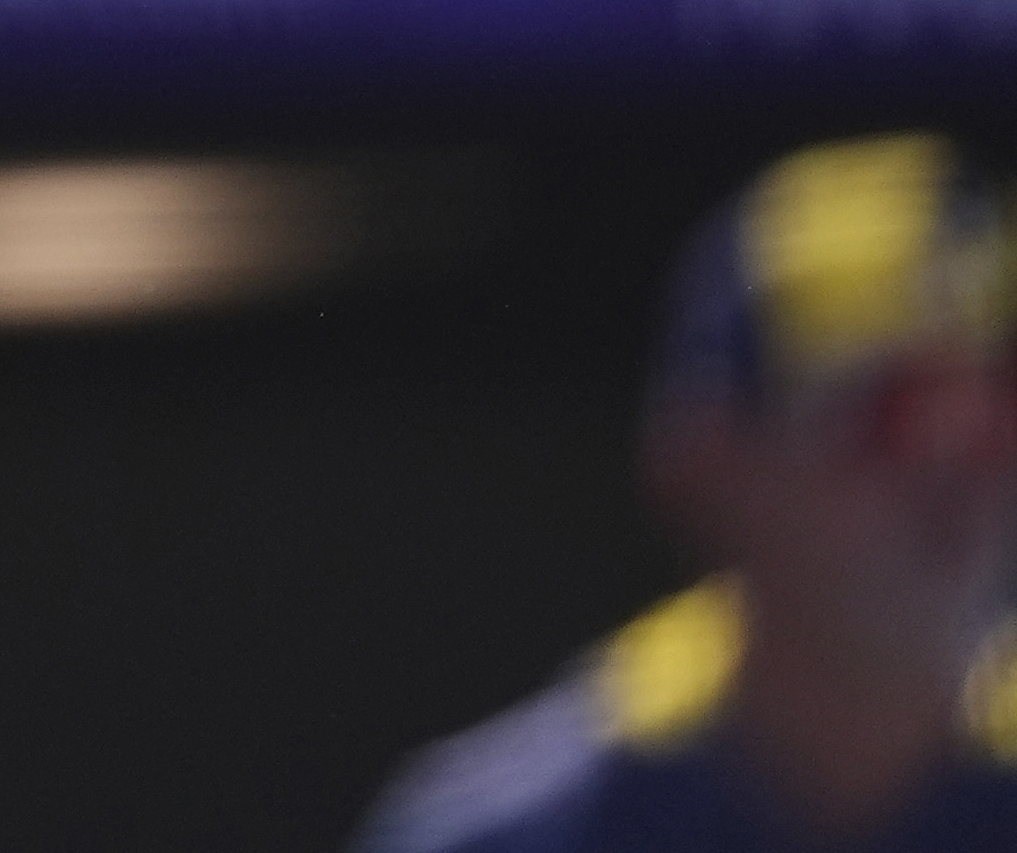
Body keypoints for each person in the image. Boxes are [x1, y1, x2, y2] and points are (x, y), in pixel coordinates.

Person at [357, 135, 1017, 853]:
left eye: (998, 406)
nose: (956, 468)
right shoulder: (507, 835)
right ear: (706, 462)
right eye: (893, 410)